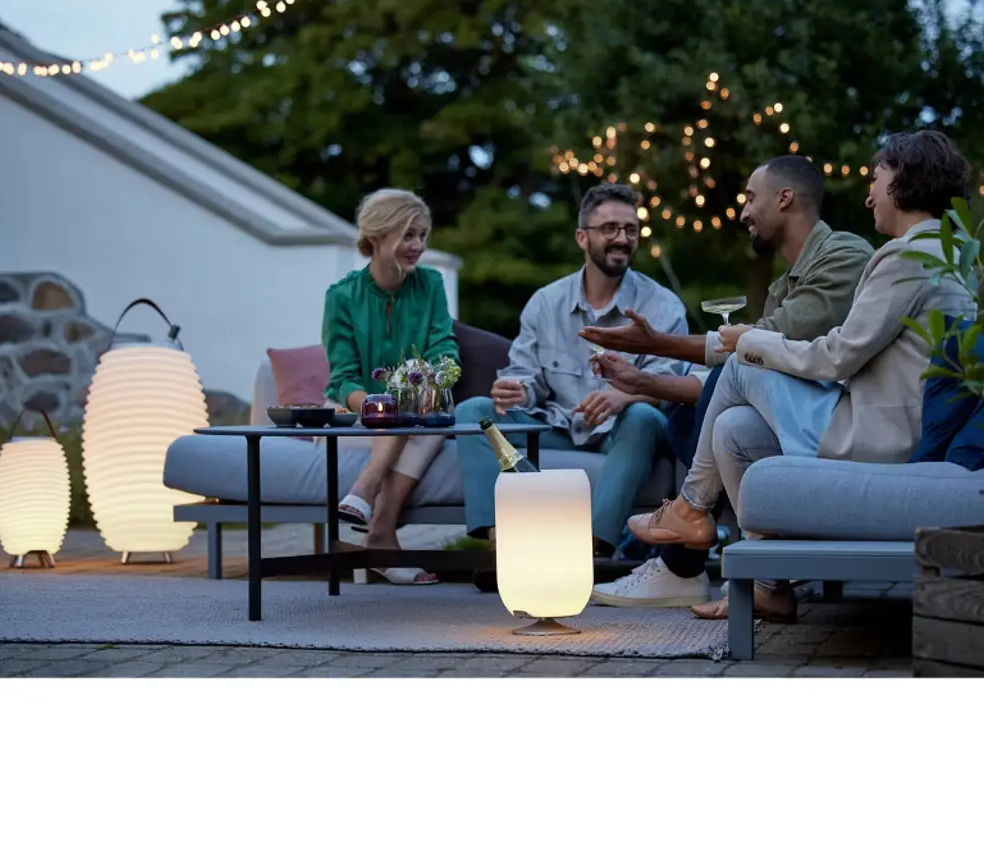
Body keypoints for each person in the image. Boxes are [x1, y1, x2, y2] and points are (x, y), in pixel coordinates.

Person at [626, 130, 976, 621]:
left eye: (875, 181)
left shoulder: (908, 257)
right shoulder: (953, 254)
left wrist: (750, 341)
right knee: (733, 429)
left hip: (881, 437)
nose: (869, 197)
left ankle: (690, 509)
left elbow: (838, 356)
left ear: (903, 180)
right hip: (895, 423)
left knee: (741, 364)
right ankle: (768, 587)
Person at [580, 155, 874, 607]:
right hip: (803, 413)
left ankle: (685, 545)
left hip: (847, 422)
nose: (743, 213)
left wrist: (657, 344)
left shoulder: (844, 255)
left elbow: (764, 345)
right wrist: (640, 380)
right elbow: (739, 372)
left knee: (734, 373)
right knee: (704, 418)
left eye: (751, 199)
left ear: (784, 198)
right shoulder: (786, 283)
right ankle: (763, 583)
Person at [454, 183, 690, 557]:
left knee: (644, 417)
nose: (622, 238)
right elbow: (525, 376)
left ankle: (593, 549)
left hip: (625, 429)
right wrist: (518, 390)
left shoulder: (663, 306)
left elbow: (671, 385)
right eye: (609, 228)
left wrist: (623, 396)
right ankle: (502, 542)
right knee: (473, 413)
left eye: (630, 230)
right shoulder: (545, 302)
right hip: (557, 425)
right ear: (583, 237)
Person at [321, 188, 459, 585]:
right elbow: (341, 376)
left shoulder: (431, 284)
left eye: (422, 235)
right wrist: (375, 404)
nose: (418, 246)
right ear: (378, 236)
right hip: (353, 412)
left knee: (420, 400)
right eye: (408, 235)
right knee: (410, 412)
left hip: (420, 407)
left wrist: (431, 381)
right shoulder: (341, 296)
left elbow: (444, 348)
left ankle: (367, 494)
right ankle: (381, 535)